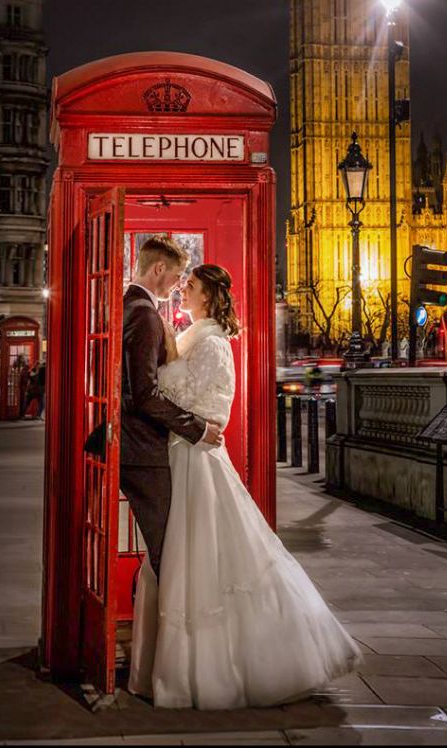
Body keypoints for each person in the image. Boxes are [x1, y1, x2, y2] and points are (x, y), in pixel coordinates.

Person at [129, 262, 362, 709]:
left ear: (210, 296)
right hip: (181, 455)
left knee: (198, 563)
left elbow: (182, 397)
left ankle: (215, 671)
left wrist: (149, 372)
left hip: (196, 459)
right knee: (183, 562)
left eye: (190, 286)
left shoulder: (213, 343)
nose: (183, 292)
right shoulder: (196, 336)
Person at [120, 236, 223, 583]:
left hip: (135, 445)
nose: (179, 285)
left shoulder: (130, 307)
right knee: (169, 553)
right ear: (159, 268)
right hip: (143, 449)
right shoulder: (144, 315)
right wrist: (197, 428)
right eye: (178, 276)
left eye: (187, 282)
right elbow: (145, 394)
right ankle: (178, 630)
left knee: (170, 550)